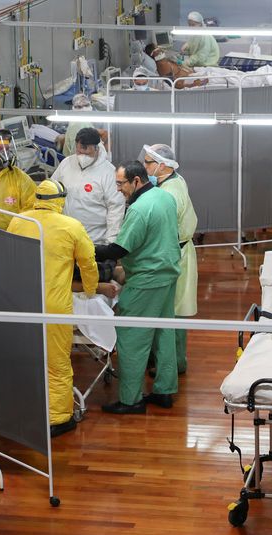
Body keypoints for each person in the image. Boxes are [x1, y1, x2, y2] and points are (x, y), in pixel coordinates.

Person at [6, 180, 118, 436]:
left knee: (25, 358)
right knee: (56, 363)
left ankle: (25, 409)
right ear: (61, 200)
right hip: (53, 305)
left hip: (20, 302)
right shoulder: (71, 226)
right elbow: (89, 264)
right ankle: (58, 418)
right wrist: (91, 290)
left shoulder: (17, 221)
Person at [95, 161, 181, 414]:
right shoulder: (163, 197)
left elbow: (119, 250)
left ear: (135, 181)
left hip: (147, 279)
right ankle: (164, 392)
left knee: (131, 337)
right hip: (167, 274)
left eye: (121, 183)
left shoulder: (139, 209)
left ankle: (130, 400)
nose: (118, 188)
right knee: (164, 334)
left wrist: (86, 249)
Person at [142, 144, 197, 374]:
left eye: (148, 162)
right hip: (179, 251)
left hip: (175, 255)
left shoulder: (169, 192)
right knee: (172, 308)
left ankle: (173, 364)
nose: (145, 166)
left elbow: (163, 229)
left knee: (172, 311)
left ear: (162, 165)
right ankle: (167, 361)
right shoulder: (174, 180)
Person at [52, 127, 125, 245]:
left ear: (96, 148)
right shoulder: (66, 164)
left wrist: (111, 242)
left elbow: (115, 209)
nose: (81, 153)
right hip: (66, 238)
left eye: (85, 149)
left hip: (94, 241)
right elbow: (52, 190)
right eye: (78, 149)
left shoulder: (108, 172)